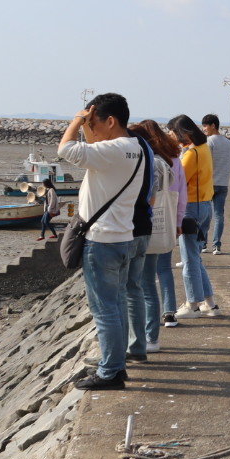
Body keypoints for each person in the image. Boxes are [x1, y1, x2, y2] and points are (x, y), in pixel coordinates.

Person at [58, 93, 153, 391]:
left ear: (110, 121)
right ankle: (117, 364)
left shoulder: (112, 150)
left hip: (101, 241)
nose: (91, 129)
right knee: (118, 305)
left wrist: (77, 119)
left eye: (93, 123)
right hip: (122, 237)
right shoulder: (136, 147)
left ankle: (110, 371)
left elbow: (65, 149)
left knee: (105, 310)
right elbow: (92, 145)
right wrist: (89, 123)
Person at [132, 120, 185, 351]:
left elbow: (147, 197)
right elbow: (180, 193)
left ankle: (148, 337)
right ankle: (156, 330)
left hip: (143, 227)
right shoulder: (169, 161)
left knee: (140, 285)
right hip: (163, 226)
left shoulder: (149, 162)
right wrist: (178, 221)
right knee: (155, 278)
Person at [168, 114, 220, 316]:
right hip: (205, 205)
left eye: (173, 132)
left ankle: (192, 305)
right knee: (195, 257)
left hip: (191, 207)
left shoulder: (190, 154)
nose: (171, 136)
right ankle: (210, 303)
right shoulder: (203, 148)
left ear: (183, 133)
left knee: (189, 259)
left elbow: (176, 181)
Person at [202, 113, 230, 254]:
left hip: (209, 183)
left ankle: (203, 244)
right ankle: (217, 245)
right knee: (219, 215)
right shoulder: (229, 143)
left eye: (205, 126)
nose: (204, 129)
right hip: (223, 183)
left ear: (213, 126)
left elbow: (205, 163)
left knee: (206, 214)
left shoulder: (209, 142)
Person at [35, 175, 59, 241]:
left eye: (43, 184)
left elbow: (53, 200)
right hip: (47, 208)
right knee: (43, 221)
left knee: (46, 222)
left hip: (50, 208)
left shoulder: (51, 190)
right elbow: (46, 199)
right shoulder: (48, 190)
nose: (42, 185)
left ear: (46, 184)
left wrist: (50, 208)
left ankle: (54, 234)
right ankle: (42, 235)